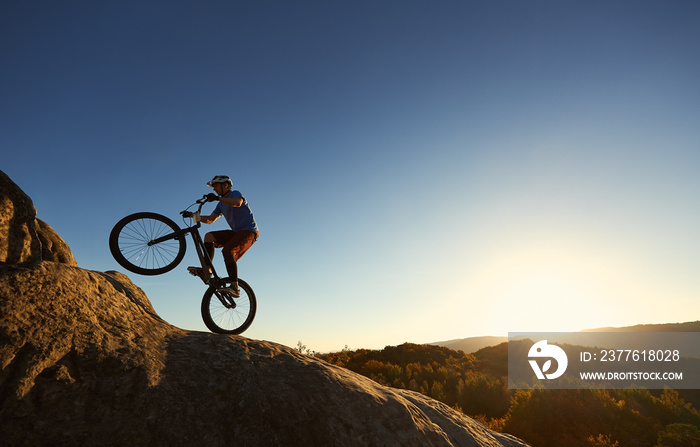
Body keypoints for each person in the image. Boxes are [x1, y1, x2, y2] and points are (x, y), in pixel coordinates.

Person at [188, 175, 259, 297]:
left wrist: (217, 198)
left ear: (226, 185)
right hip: (236, 232)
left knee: (228, 251)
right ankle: (207, 271)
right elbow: (210, 220)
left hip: (249, 231)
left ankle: (235, 287)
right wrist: (193, 216)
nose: (214, 189)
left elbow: (237, 203)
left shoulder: (235, 194)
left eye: (216, 185)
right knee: (209, 236)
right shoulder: (220, 205)